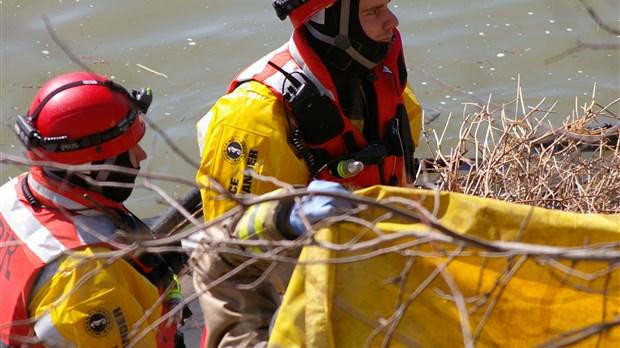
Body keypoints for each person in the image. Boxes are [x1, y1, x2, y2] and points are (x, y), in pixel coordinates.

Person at [192, 0, 422, 346]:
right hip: (288, 316)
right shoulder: (256, 117)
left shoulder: (386, 84)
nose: (392, 21)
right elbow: (230, 259)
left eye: (386, 6)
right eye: (372, 12)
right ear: (329, 23)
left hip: (373, 283)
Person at [0, 72, 186, 348]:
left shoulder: (11, 194)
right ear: (92, 168)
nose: (141, 156)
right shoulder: (88, 281)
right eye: (127, 147)